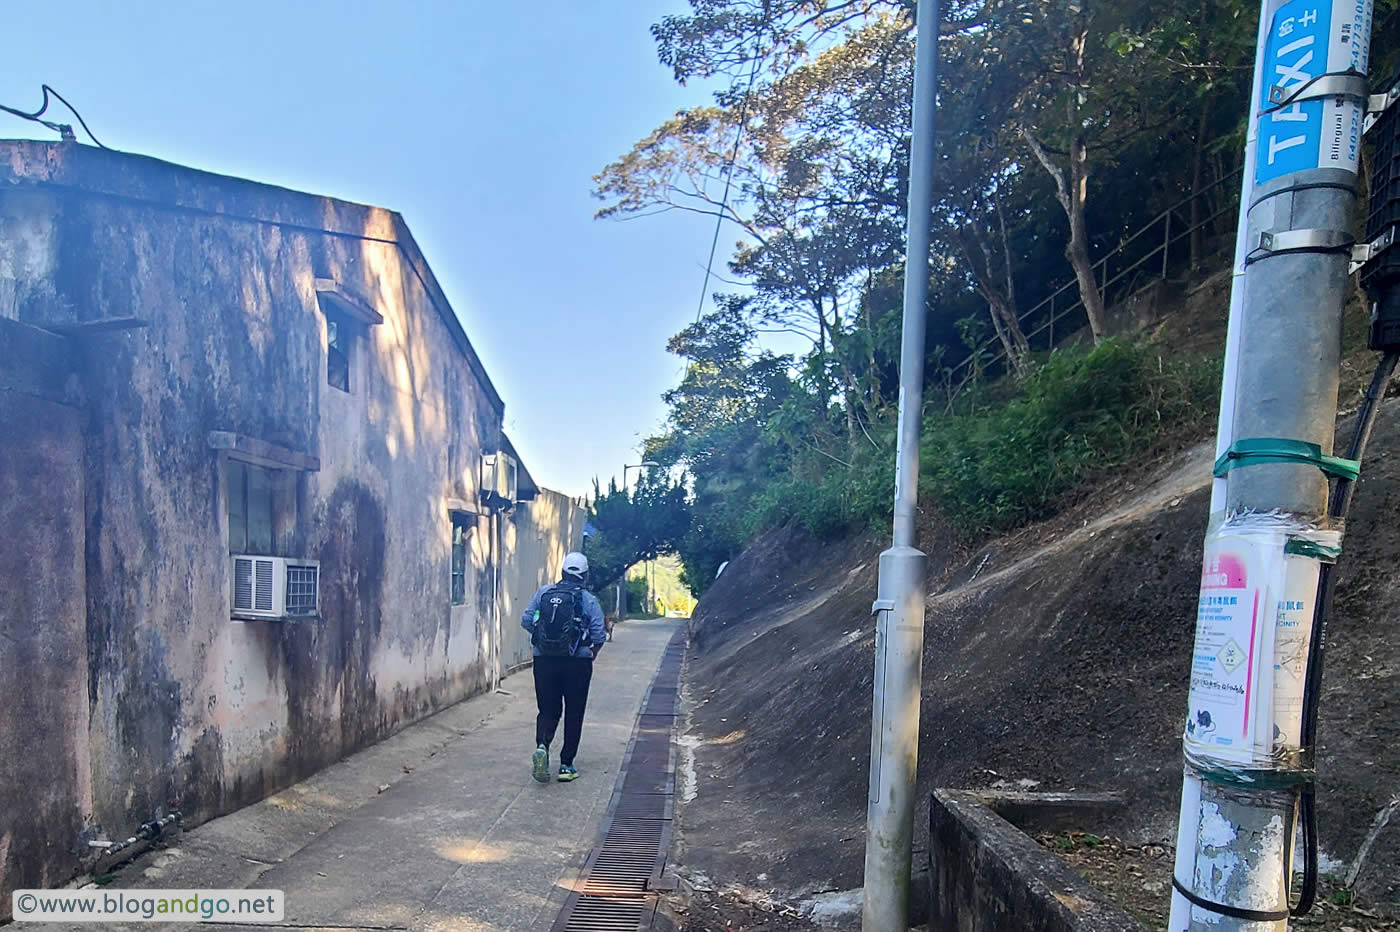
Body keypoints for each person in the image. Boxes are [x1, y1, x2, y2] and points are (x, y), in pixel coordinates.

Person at [521, 551, 606, 783]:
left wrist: (542, 639)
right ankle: (567, 765)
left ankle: (542, 745)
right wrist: (591, 652)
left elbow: (526, 620)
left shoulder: (544, 593)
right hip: (577, 663)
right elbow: (599, 633)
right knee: (574, 712)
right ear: (585, 576)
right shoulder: (588, 600)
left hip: (544, 661)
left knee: (548, 709)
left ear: (562, 572)